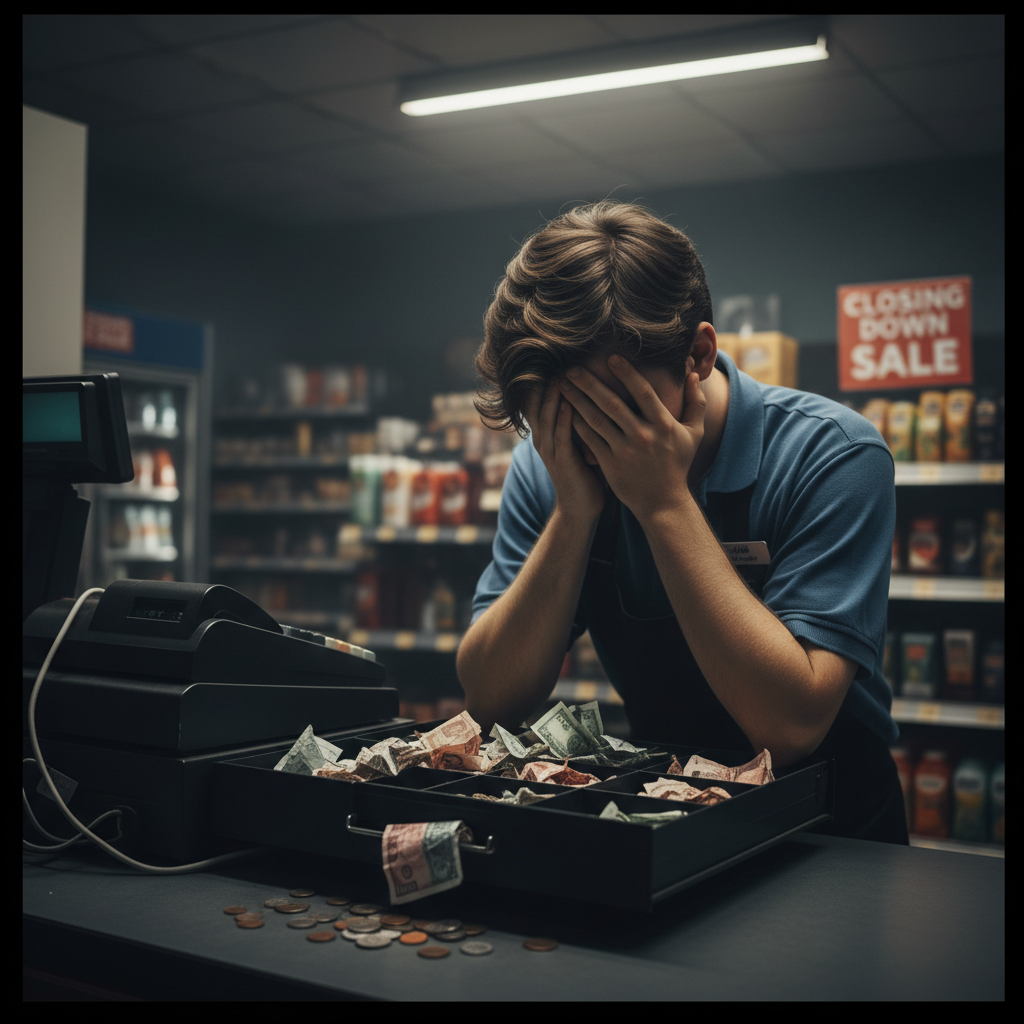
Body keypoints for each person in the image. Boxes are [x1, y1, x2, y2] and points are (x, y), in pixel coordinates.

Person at [456, 201, 908, 844]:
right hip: (666, 815)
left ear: (697, 356)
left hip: (830, 831)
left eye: (609, 413)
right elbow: (490, 699)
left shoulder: (833, 454)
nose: (582, 444)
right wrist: (574, 513)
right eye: (554, 418)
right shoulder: (550, 465)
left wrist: (664, 501)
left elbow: (790, 728)